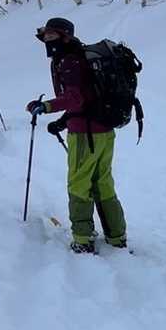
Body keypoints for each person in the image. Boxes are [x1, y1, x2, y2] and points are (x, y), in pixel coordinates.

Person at [24, 17, 126, 254]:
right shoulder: (81, 57)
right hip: (103, 130)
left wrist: (46, 106)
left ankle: (82, 239)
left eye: (52, 35)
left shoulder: (69, 61)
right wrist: (63, 122)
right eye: (45, 37)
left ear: (65, 36)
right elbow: (87, 97)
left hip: (85, 135)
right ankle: (116, 237)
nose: (47, 40)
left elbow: (74, 98)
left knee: (79, 184)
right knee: (103, 183)